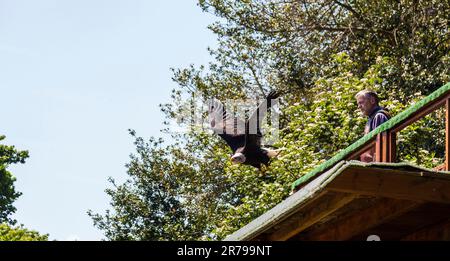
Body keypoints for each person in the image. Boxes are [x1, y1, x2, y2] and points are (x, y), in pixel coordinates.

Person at [355, 90, 390, 162]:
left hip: (377, 166)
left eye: (361, 102)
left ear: (372, 100)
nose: (359, 106)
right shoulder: (371, 118)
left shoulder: (379, 116)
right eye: (358, 104)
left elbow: (382, 144)